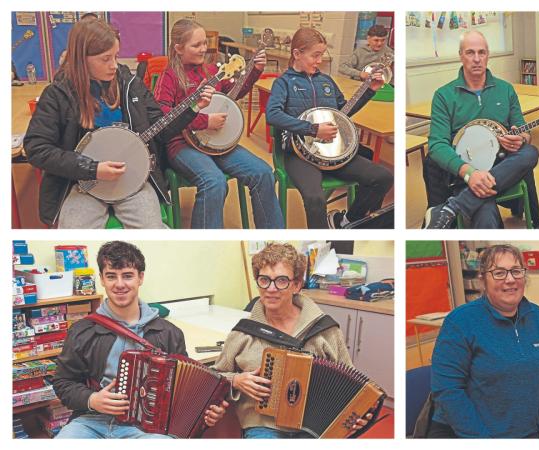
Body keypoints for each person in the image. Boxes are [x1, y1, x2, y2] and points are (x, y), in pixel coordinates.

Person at [24, 18, 212, 228]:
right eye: (105, 59)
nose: (114, 65)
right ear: (81, 59)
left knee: (151, 231)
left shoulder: (130, 84)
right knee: (75, 234)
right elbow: (36, 148)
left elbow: (161, 130)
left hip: (134, 179)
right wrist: (93, 169)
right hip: (82, 184)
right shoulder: (58, 94)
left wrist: (192, 108)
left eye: (115, 56)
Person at [52, 241, 227, 438]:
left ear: (140, 278)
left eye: (127, 276)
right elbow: (62, 382)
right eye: (111, 276)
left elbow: (186, 393)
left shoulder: (169, 333)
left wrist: (206, 412)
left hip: (148, 429)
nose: (119, 284)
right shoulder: (83, 330)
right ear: (101, 279)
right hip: (91, 421)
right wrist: (92, 399)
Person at [212, 242, 372, 438]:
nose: (271, 289)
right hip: (263, 426)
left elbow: (352, 385)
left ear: (296, 285)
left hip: (315, 427)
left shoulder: (324, 331)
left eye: (281, 281)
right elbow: (214, 377)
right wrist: (236, 380)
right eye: (264, 280)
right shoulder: (243, 333)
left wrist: (360, 413)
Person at [154, 19, 283, 229]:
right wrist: (205, 121)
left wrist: (255, 71)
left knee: (263, 173)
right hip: (182, 144)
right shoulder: (169, 77)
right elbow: (162, 116)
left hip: (217, 142)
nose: (203, 49)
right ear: (178, 48)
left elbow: (233, 93)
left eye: (205, 43)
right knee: (214, 182)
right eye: (196, 45)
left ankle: (272, 238)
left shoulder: (212, 70)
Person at [266, 28, 393, 229]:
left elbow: (343, 112)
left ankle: (346, 222)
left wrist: (369, 90)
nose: (319, 61)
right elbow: (272, 115)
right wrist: (312, 129)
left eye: (322, 55)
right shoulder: (283, 83)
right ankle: (323, 241)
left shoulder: (326, 81)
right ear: (297, 54)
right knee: (315, 198)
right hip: (299, 155)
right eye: (315, 55)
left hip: (333, 153)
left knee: (383, 177)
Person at [429, 244, 539, 438]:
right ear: (483, 280)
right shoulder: (460, 322)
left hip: (529, 432)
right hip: (469, 434)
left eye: (516, 271)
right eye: (499, 273)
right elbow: (448, 390)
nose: (510, 279)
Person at [423, 31, 539, 229]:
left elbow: (521, 128)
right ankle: (467, 198)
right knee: (486, 216)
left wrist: (521, 138)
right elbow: (437, 144)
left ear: (488, 55)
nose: (477, 59)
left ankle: (455, 206)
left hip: (499, 162)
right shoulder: (443, 95)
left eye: (481, 52)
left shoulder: (506, 89)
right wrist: (470, 173)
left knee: (530, 152)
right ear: (461, 55)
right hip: (464, 167)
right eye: (470, 52)